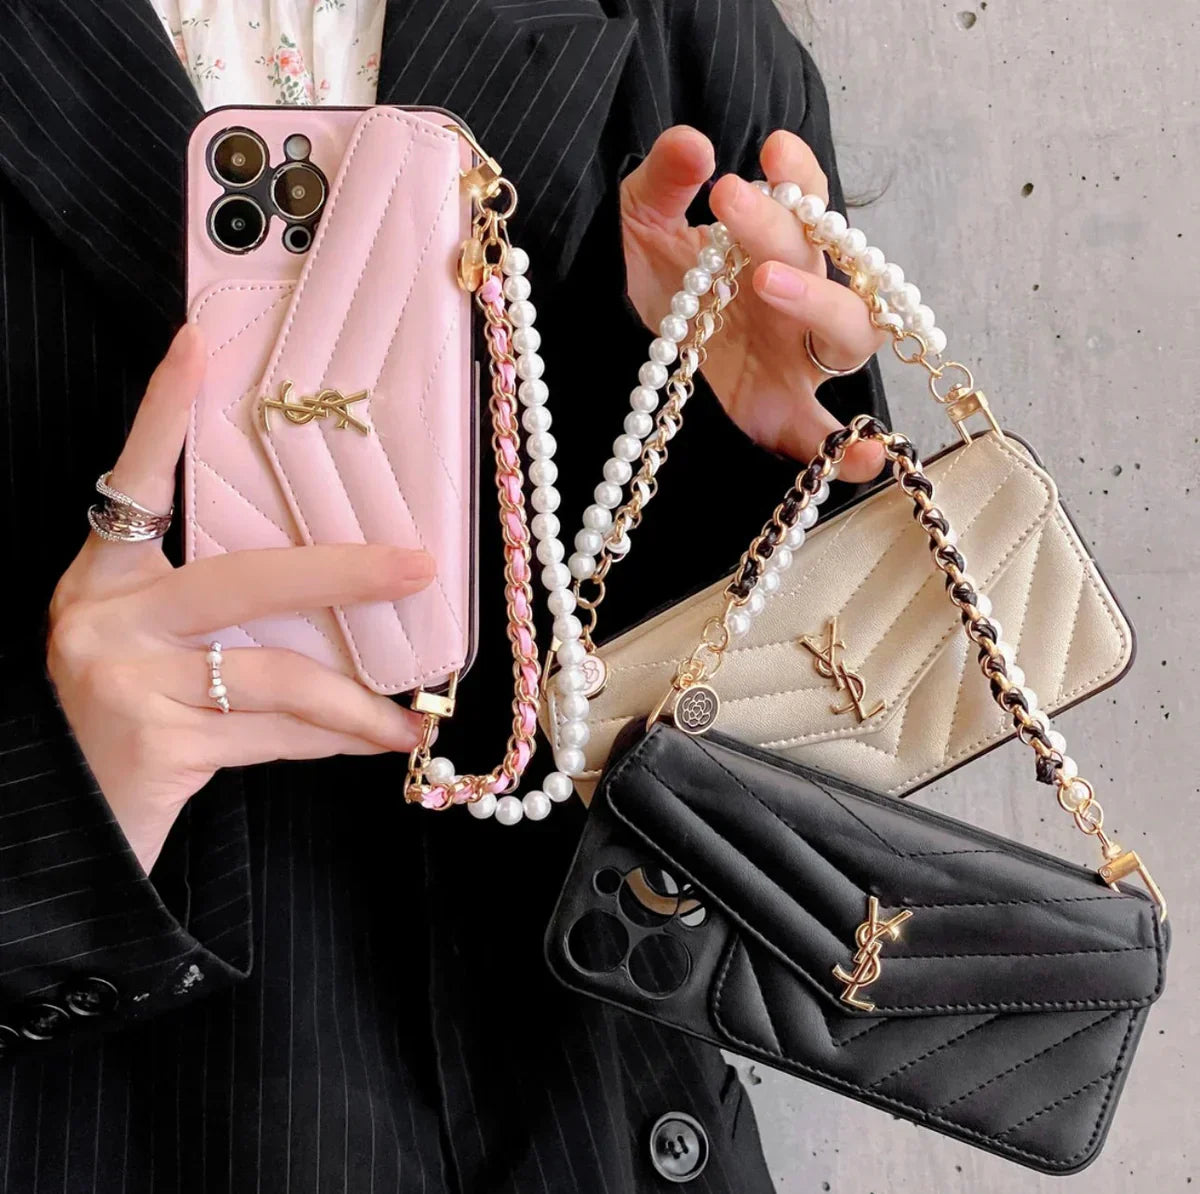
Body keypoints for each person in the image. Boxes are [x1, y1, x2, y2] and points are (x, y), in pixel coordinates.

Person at [0, 0, 889, 1189]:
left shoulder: (683, 33)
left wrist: (736, 462)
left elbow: (820, 788)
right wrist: (57, 813)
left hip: (574, 1114)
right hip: (126, 1123)